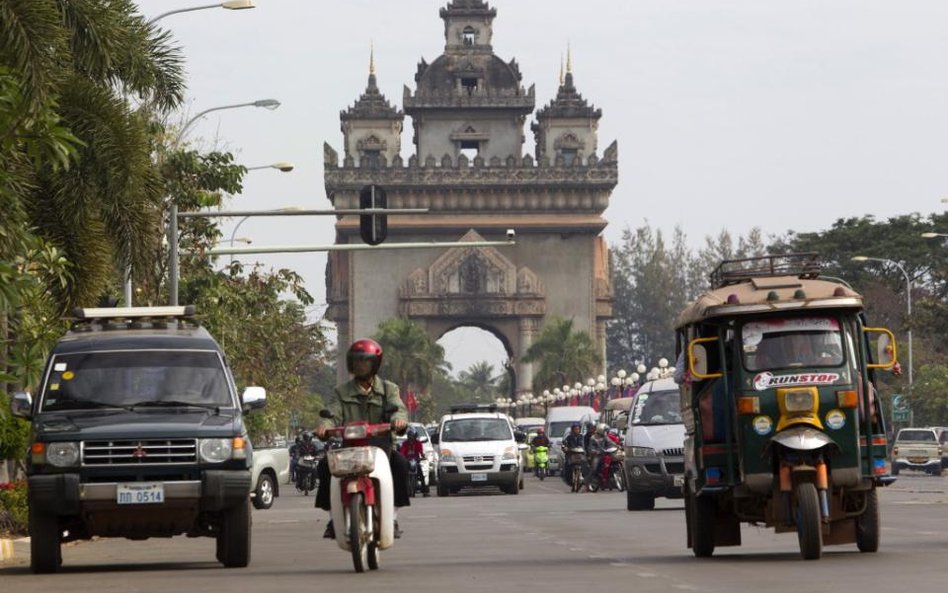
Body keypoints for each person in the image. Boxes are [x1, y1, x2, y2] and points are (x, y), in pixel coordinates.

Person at [315, 338, 410, 539]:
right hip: (350, 447)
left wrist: (399, 421)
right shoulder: (341, 392)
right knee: (324, 466)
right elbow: (333, 414)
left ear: (374, 363)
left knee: (401, 465)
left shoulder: (388, 389)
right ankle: (334, 518)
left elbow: (399, 409)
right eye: (356, 360)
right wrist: (325, 427)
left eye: (364, 360)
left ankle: (392, 517)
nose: (360, 365)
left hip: (381, 447)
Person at [398, 427, 429, 496]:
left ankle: (425, 491)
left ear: (415, 436)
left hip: (416, 461)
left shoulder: (418, 443)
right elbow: (402, 452)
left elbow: (421, 452)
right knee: (402, 475)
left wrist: (423, 457)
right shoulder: (405, 444)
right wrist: (402, 457)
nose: (411, 438)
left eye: (412, 436)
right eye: (409, 436)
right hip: (407, 461)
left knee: (421, 475)